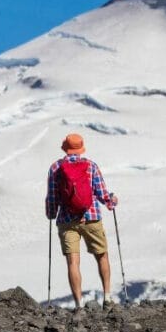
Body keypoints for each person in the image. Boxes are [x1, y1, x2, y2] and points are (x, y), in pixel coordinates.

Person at [45, 133, 119, 310]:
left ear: (65, 148)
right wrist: (111, 201)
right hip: (91, 217)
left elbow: (52, 196)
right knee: (102, 255)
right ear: (81, 148)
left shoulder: (56, 167)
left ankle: (79, 305)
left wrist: (51, 213)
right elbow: (101, 193)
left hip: (67, 219)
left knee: (72, 262)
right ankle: (107, 297)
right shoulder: (90, 166)